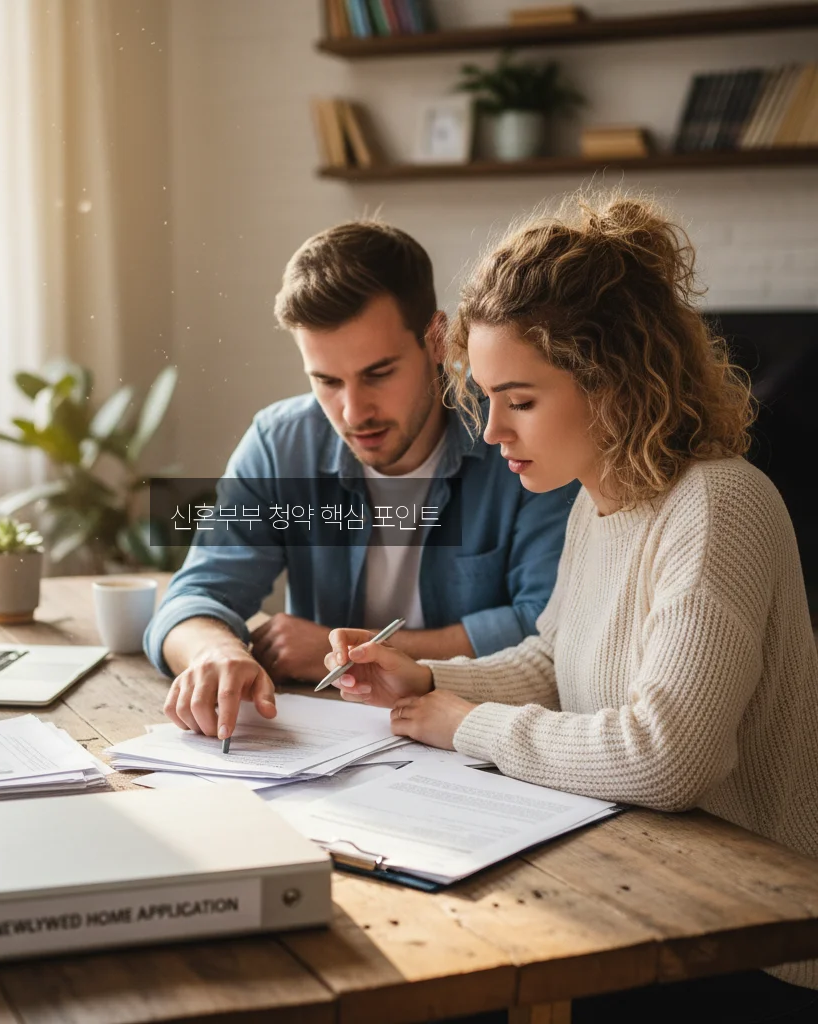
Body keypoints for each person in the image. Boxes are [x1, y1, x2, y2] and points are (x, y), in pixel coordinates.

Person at [324, 192, 818, 1015]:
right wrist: (424, 679)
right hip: (656, 887)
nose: (492, 433)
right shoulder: (600, 499)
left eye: (520, 400)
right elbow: (557, 661)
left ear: (617, 382)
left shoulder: (719, 505)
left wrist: (466, 725)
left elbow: (666, 755)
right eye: (485, 400)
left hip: (757, 940)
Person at [146, 220, 578, 741]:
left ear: (437, 340)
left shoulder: (519, 438)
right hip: (321, 746)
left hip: (475, 738)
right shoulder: (282, 442)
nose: (353, 411)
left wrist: (358, 649)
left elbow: (546, 628)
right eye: (326, 381)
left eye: (378, 374)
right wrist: (216, 652)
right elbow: (194, 597)